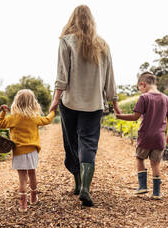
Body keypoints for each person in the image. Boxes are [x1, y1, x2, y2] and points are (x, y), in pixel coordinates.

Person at [49, 5, 121, 207]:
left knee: (72, 142)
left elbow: (62, 74)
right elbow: (110, 77)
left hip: (70, 102)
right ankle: (85, 188)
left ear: (72, 19)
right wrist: (114, 101)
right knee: (88, 144)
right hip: (94, 104)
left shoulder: (66, 41)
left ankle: (78, 183)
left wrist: (55, 99)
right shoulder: (103, 44)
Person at [115, 72, 168, 199]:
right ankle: (157, 193)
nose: (141, 91)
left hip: (145, 136)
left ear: (143, 84)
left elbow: (135, 117)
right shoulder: (165, 98)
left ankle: (142, 186)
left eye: (140, 89)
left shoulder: (144, 98)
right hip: (159, 138)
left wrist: (119, 116)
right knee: (155, 163)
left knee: (140, 158)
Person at [0, 89, 55, 212]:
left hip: (18, 152)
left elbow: (0, 124)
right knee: (32, 173)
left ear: (16, 102)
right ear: (33, 103)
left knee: (22, 178)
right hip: (32, 151)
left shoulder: (13, 118)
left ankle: (23, 205)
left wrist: (3, 112)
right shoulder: (34, 117)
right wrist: (53, 112)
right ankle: (34, 196)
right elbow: (47, 120)